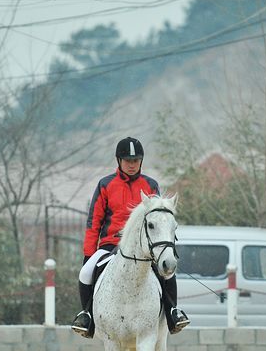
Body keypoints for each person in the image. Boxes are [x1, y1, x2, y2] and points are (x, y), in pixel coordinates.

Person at [71, 137, 190, 338]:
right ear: (119, 161)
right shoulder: (105, 184)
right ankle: (87, 317)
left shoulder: (150, 185)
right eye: (128, 161)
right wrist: (89, 254)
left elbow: (159, 219)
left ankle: (172, 313)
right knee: (85, 272)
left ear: (141, 161)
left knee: (167, 273)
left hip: (143, 247)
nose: (132, 165)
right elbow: (94, 223)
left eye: (136, 161)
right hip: (111, 244)